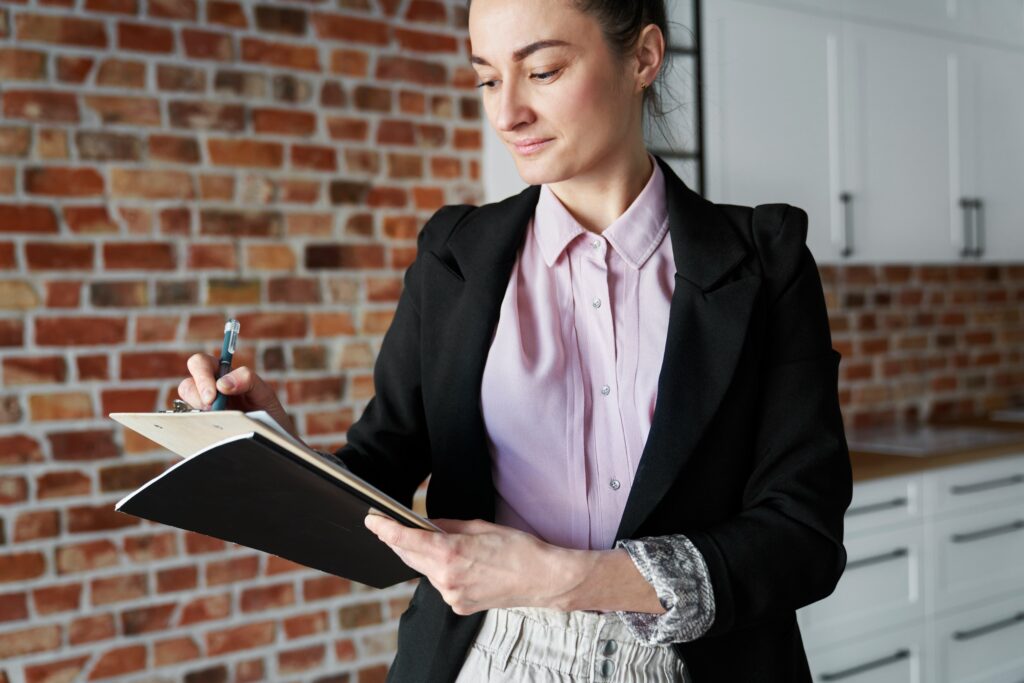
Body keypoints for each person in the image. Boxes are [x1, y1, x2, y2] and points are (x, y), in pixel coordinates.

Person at [178, 0, 853, 680]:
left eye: (544, 70)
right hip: (485, 661)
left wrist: (571, 579)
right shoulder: (453, 256)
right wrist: (274, 446)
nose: (507, 114)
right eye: (488, 80)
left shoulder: (766, 264)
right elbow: (379, 477)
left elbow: (804, 536)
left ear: (643, 58)